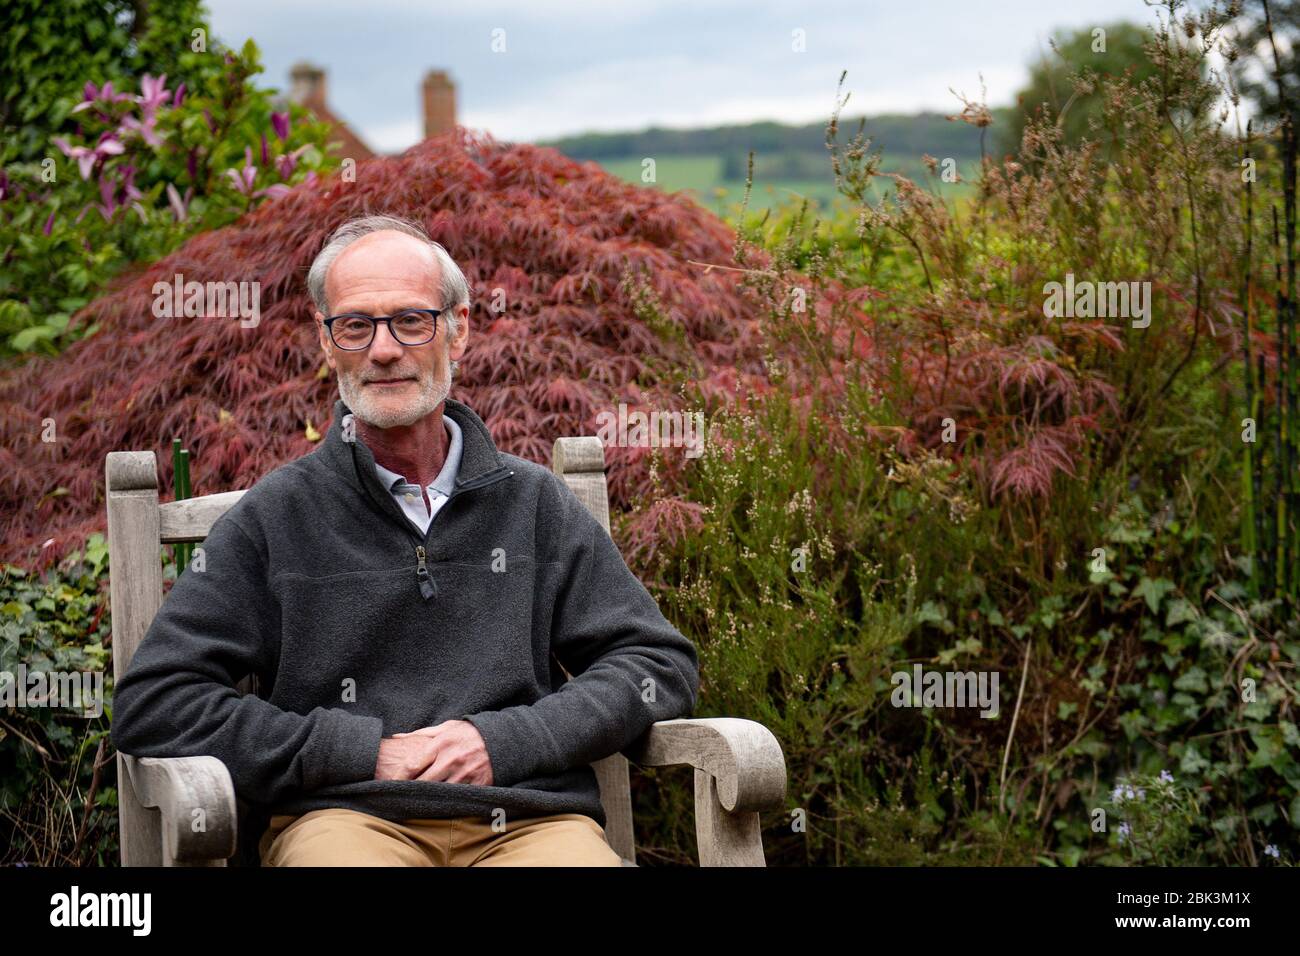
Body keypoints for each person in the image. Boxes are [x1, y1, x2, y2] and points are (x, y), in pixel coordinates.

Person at [110, 214, 701, 866]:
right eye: (356, 325)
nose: (383, 349)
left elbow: (656, 665)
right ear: (327, 341)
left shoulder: (533, 506)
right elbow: (158, 702)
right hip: (345, 821)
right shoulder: (276, 518)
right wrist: (358, 752)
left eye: (410, 320)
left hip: (530, 824)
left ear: (459, 328)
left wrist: (503, 739)